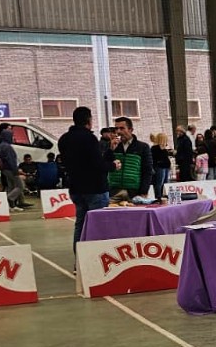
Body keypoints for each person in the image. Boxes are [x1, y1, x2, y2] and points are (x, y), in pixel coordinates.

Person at [59, 107, 120, 252]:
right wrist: (113, 165)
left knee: (80, 224)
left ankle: (79, 261)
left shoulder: (64, 139)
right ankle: (96, 258)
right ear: (89, 120)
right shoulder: (89, 138)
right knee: (98, 225)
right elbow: (97, 164)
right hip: (95, 189)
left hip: (75, 188)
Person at [111, 117, 153, 198]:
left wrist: (144, 191)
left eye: (122, 128)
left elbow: (147, 170)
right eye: (116, 128)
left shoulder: (142, 147)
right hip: (114, 191)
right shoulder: (111, 147)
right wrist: (110, 150)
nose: (118, 131)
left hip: (134, 192)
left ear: (131, 129)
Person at [0, 124, 30, 210]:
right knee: (20, 186)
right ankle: (9, 199)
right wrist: (15, 170)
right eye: (11, 136)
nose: (13, 137)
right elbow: (11, 160)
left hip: (5, 169)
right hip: (10, 169)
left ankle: (10, 206)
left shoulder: (1, 145)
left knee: (11, 186)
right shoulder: (7, 147)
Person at [150, 132, 171, 200]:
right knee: (159, 182)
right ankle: (158, 196)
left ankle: (163, 195)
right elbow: (154, 158)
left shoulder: (164, 148)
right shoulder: (155, 148)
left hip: (165, 167)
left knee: (165, 182)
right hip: (159, 167)